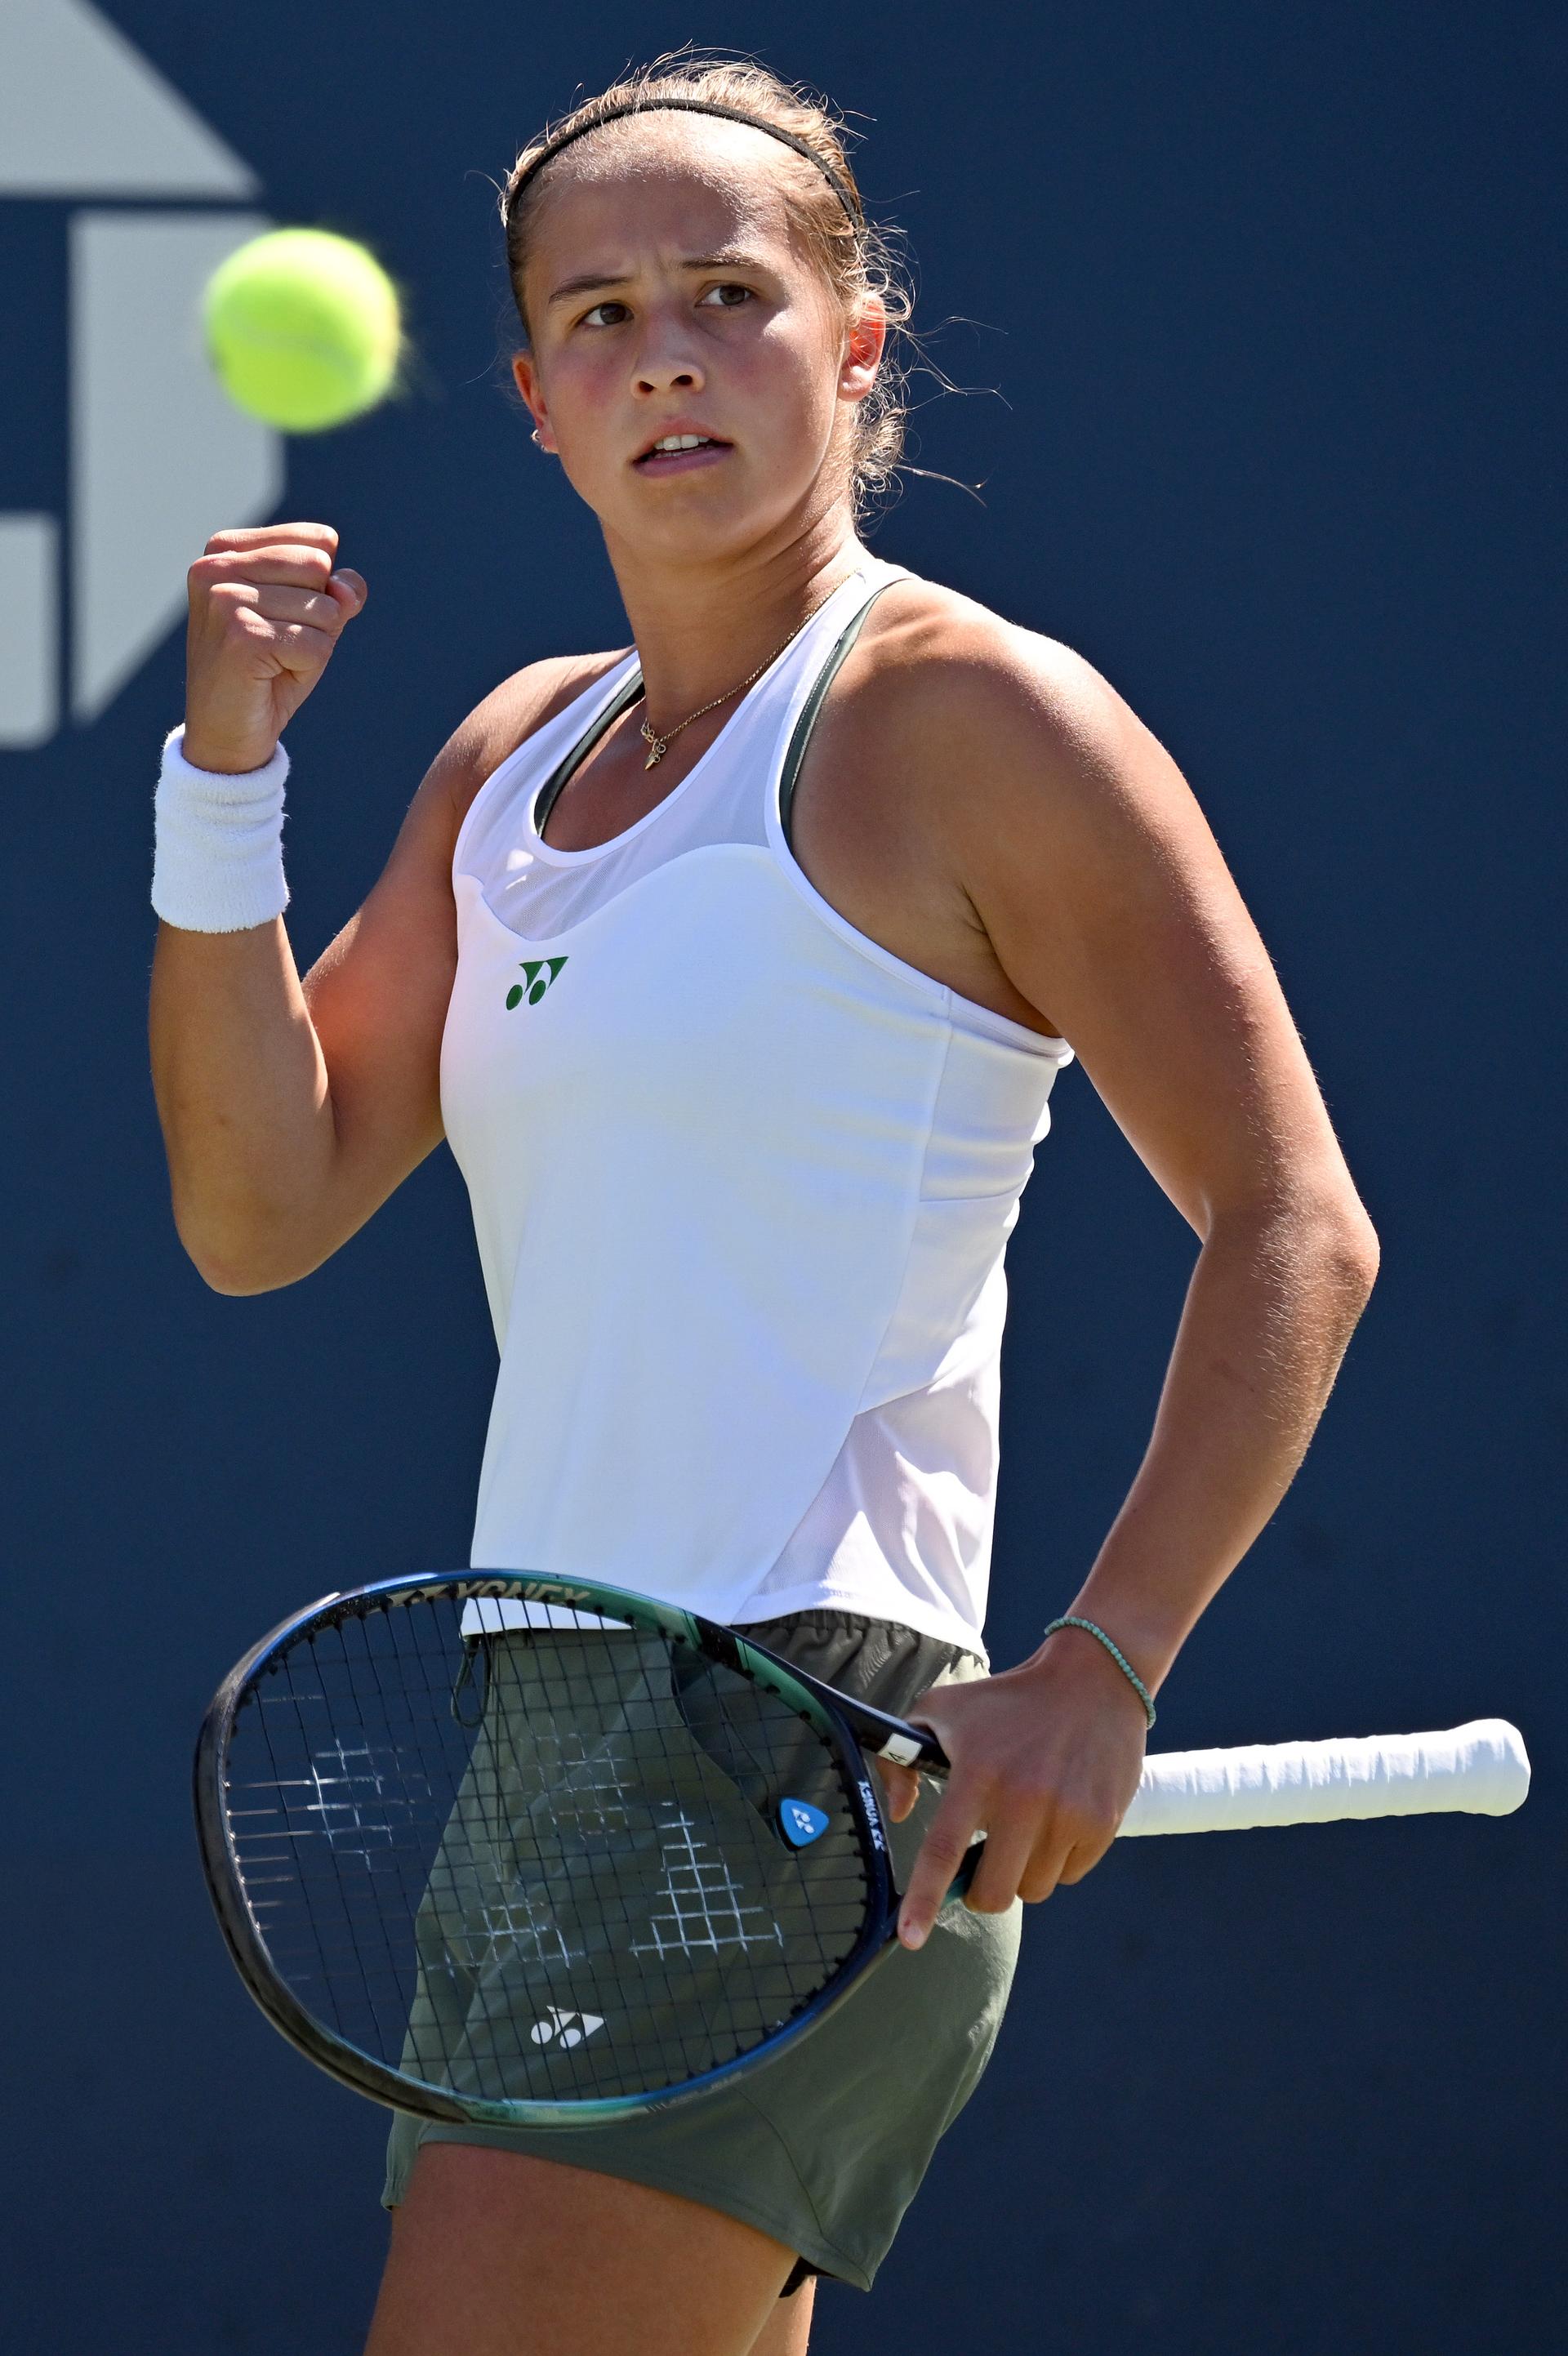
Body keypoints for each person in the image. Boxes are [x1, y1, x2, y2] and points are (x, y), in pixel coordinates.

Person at [148, 53, 1379, 2356]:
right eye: (599, 317)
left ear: (856, 339)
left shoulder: (974, 721)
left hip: (798, 1741)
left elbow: (1295, 1222)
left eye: (728, 293)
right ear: (535, 401)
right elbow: (259, 1202)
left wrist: (1104, 1662)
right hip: (545, 1737)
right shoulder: (510, 756)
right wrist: (225, 781)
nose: (668, 357)